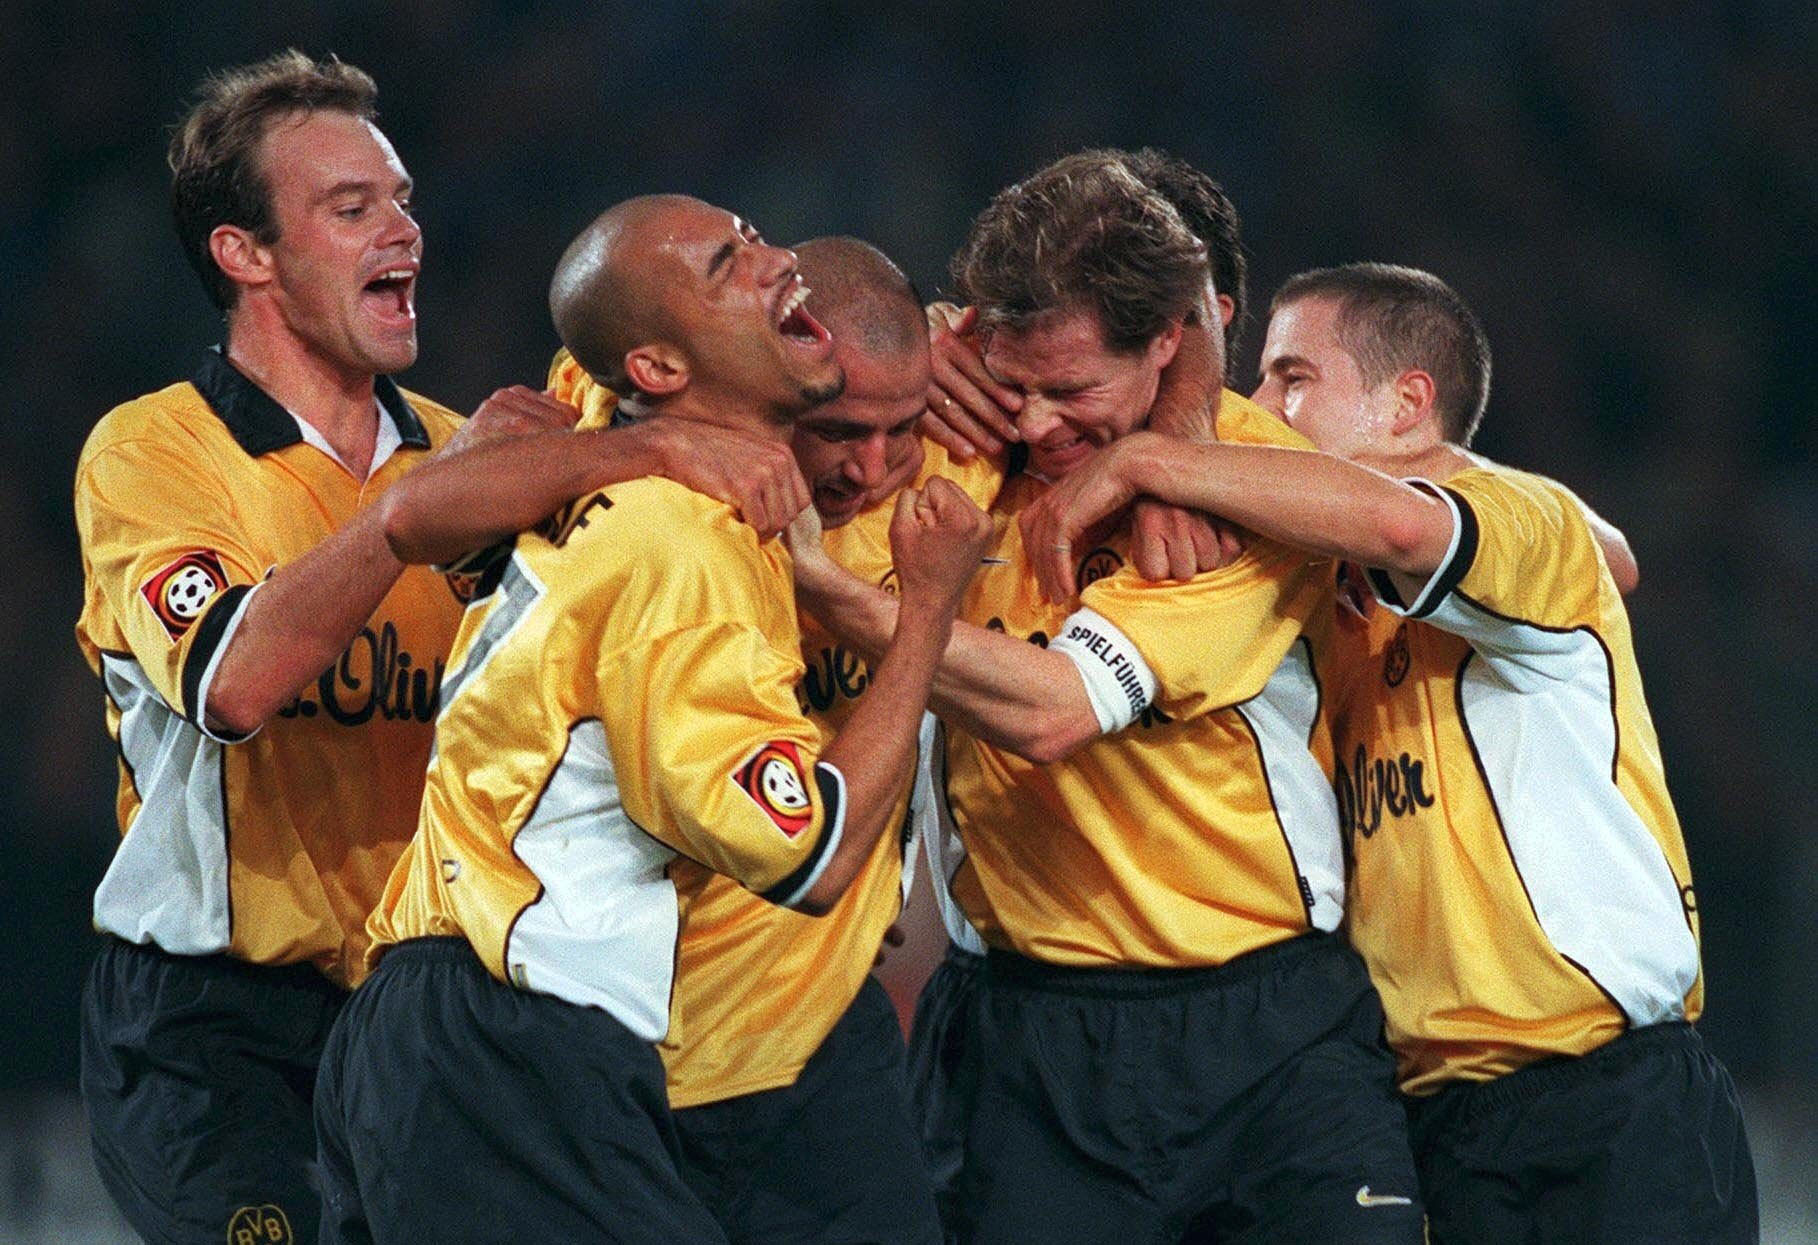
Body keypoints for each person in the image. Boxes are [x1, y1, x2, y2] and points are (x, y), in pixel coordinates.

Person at [72, 54, 799, 1245]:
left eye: (400, 199)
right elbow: (238, 682)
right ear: (244, 255)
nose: (403, 228)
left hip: (418, 1019)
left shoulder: (474, 457)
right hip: (215, 1031)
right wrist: (468, 500)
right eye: (351, 209)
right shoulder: (155, 453)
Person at [1021, 262, 1755, 1243]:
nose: (1258, 406)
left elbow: (1425, 522)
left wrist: (1148, 462)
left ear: (1409, 403)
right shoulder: (1319, 598)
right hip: (1432, 1123)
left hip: (1603, 1103)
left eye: (1293, 378)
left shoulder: (1525, 531)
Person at [311, 196, 993, 1242]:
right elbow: (812, 856)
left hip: (484, 1023)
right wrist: (927, 611)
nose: (770, 264)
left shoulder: (645, 457)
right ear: (661, 371)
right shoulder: (681, 541)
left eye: (754, 237)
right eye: (728, 263)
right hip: (509, 1031)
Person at [791, 154, 1424, 1244]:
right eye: (1013, 378)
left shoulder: (1245, 489)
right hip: (1017, 1042)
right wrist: (917, 349)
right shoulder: (938, 438)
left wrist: (847, 599)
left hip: (1265, 1039)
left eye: (1073, 392)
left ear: (1169, 344)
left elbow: (1055, 713)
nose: (1035, 424)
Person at [546, 233, 1000, 1242]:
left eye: (901, 427)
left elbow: (1165, 303)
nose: (869, 467)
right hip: (619, 1043)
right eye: (836, 429)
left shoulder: (957, 479)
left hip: (817, 1050)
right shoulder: (629, 455)